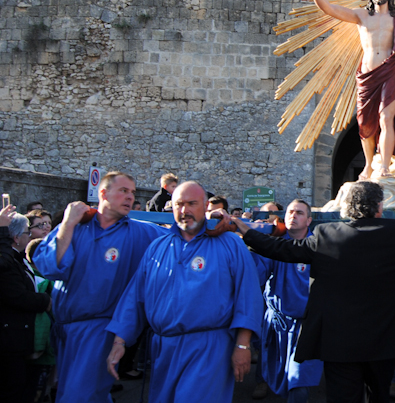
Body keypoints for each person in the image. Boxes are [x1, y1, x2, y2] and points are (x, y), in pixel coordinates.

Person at [234, 180, 395, 403]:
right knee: (379, 394)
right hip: (384, 339)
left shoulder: (326, 235)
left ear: (346, 207)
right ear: (379, 206)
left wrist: (245, 230)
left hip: (338, 341)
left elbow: (281, 250)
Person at [105, 181, 263, 403]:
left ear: (205, 206)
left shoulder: (229, 244)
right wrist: (119, 342)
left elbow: (248, 297)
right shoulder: (158, 247)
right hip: (163, 350)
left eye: (192, 203)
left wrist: (242, 344)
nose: (185, 210)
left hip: (208, 349)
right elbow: (135, 298)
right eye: (179, 204)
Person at [33, 172, 168, 403]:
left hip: (99, 329)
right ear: (103, 193)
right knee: (78, 392)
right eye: (123, 191)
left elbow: (184, 234)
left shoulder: (142, 231)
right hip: (64, 329)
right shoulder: (75, 226)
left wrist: (215, 221)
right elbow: (51, 267)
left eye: (133, 192)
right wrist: (68, 222)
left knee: (78, 396)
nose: (130, 197)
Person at [294, 0, 395, 179]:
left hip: (390, 73)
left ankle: (384, 166)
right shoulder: (361, 16)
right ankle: (368, 165)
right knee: (365, 123)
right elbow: (329, 9)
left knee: (386, 118)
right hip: (367, 76)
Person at [251, 200, 323, 403]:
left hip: (307, 327)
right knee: (279, 375)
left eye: (299, 213)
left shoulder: (320, 247)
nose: (293, 215)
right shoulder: (274, 246)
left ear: (308, 220)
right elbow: (257, 276)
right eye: (290, 212)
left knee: (298, 380)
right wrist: (256, 242)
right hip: (279, 324)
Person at [0, 206, 52, 403]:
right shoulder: (7, 262)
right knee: (13, 389)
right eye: (26, 233)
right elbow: (17, 295)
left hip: (17, 336)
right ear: (15, 238)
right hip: (10, 339)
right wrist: (45, 301)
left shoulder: (15, 259)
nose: (29, 236)